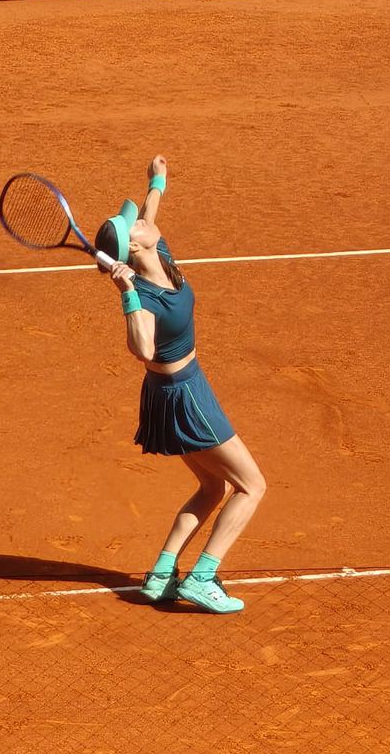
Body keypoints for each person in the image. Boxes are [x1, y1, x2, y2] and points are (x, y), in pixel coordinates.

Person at [95, 155, 266, 614]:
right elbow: (143, 350)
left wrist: (158, 182)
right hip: (183, 396)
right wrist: (127, 294)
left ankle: (160, 576)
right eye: (134, 226)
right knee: (251, 485)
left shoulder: (158, 253)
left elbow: (148, 214)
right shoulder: (144, 295)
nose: (145, 222)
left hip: (181, 389)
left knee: (213, 487)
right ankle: (203, 576)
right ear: (135, 248)